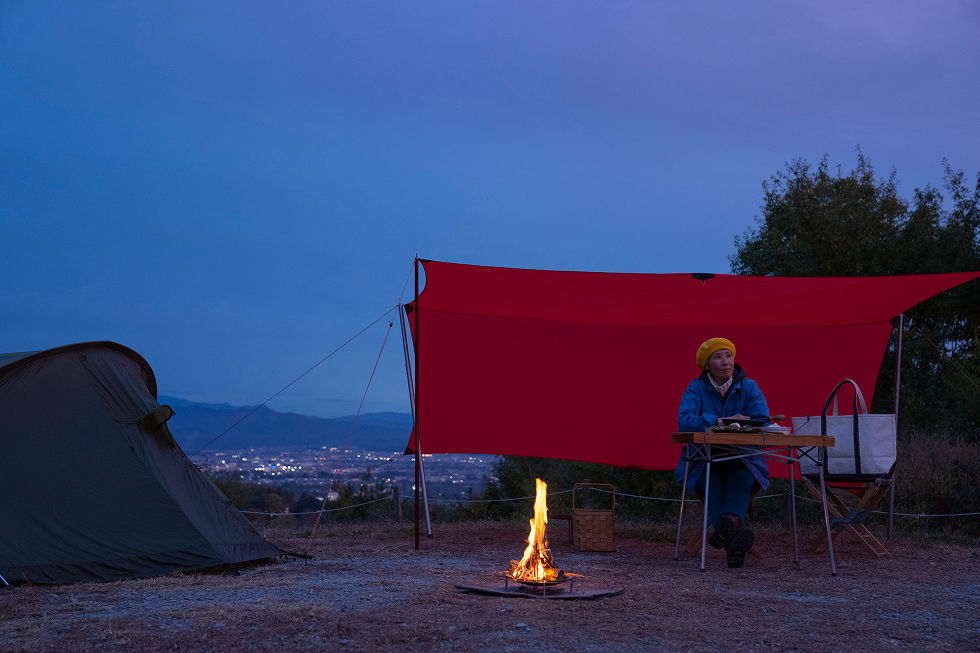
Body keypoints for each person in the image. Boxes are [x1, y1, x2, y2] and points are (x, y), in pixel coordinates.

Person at [674, 338, 771, 568]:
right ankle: (734, 538)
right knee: (714, 487)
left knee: (741, 478)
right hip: (704, 458)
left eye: (728, 355)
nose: (725, 362)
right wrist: (719, 421)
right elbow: (684, 420)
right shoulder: (696, 388)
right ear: (707, 366)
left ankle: (727, 527)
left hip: (743, 456)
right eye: (718, 357)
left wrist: (746, 422)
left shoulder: (750, 387)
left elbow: (763, 420)